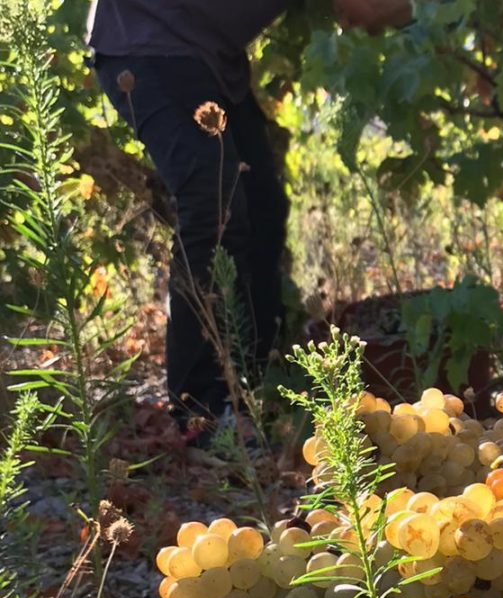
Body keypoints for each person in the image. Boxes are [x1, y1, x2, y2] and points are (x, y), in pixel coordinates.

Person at [86, 0, 411, 444]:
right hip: (147, 39)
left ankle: (252, 386)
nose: (358, 29)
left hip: (208, 57)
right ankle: (200, 410)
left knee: (261, 210)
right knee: (212, 204)